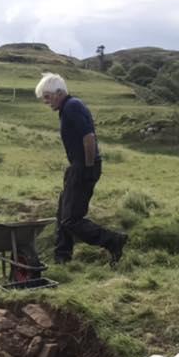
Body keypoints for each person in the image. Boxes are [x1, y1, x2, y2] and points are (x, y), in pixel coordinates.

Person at [35, 72, 125, 266]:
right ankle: (62, 258)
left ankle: (113, 241)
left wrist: (87, 168)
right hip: (77, 166)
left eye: (47, 97)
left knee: (71, 220)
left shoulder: (72, 107)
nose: (45, 101)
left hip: (83, 166)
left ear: (59, 93)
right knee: (62, 214)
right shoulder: (69, 106)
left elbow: (89, 137)